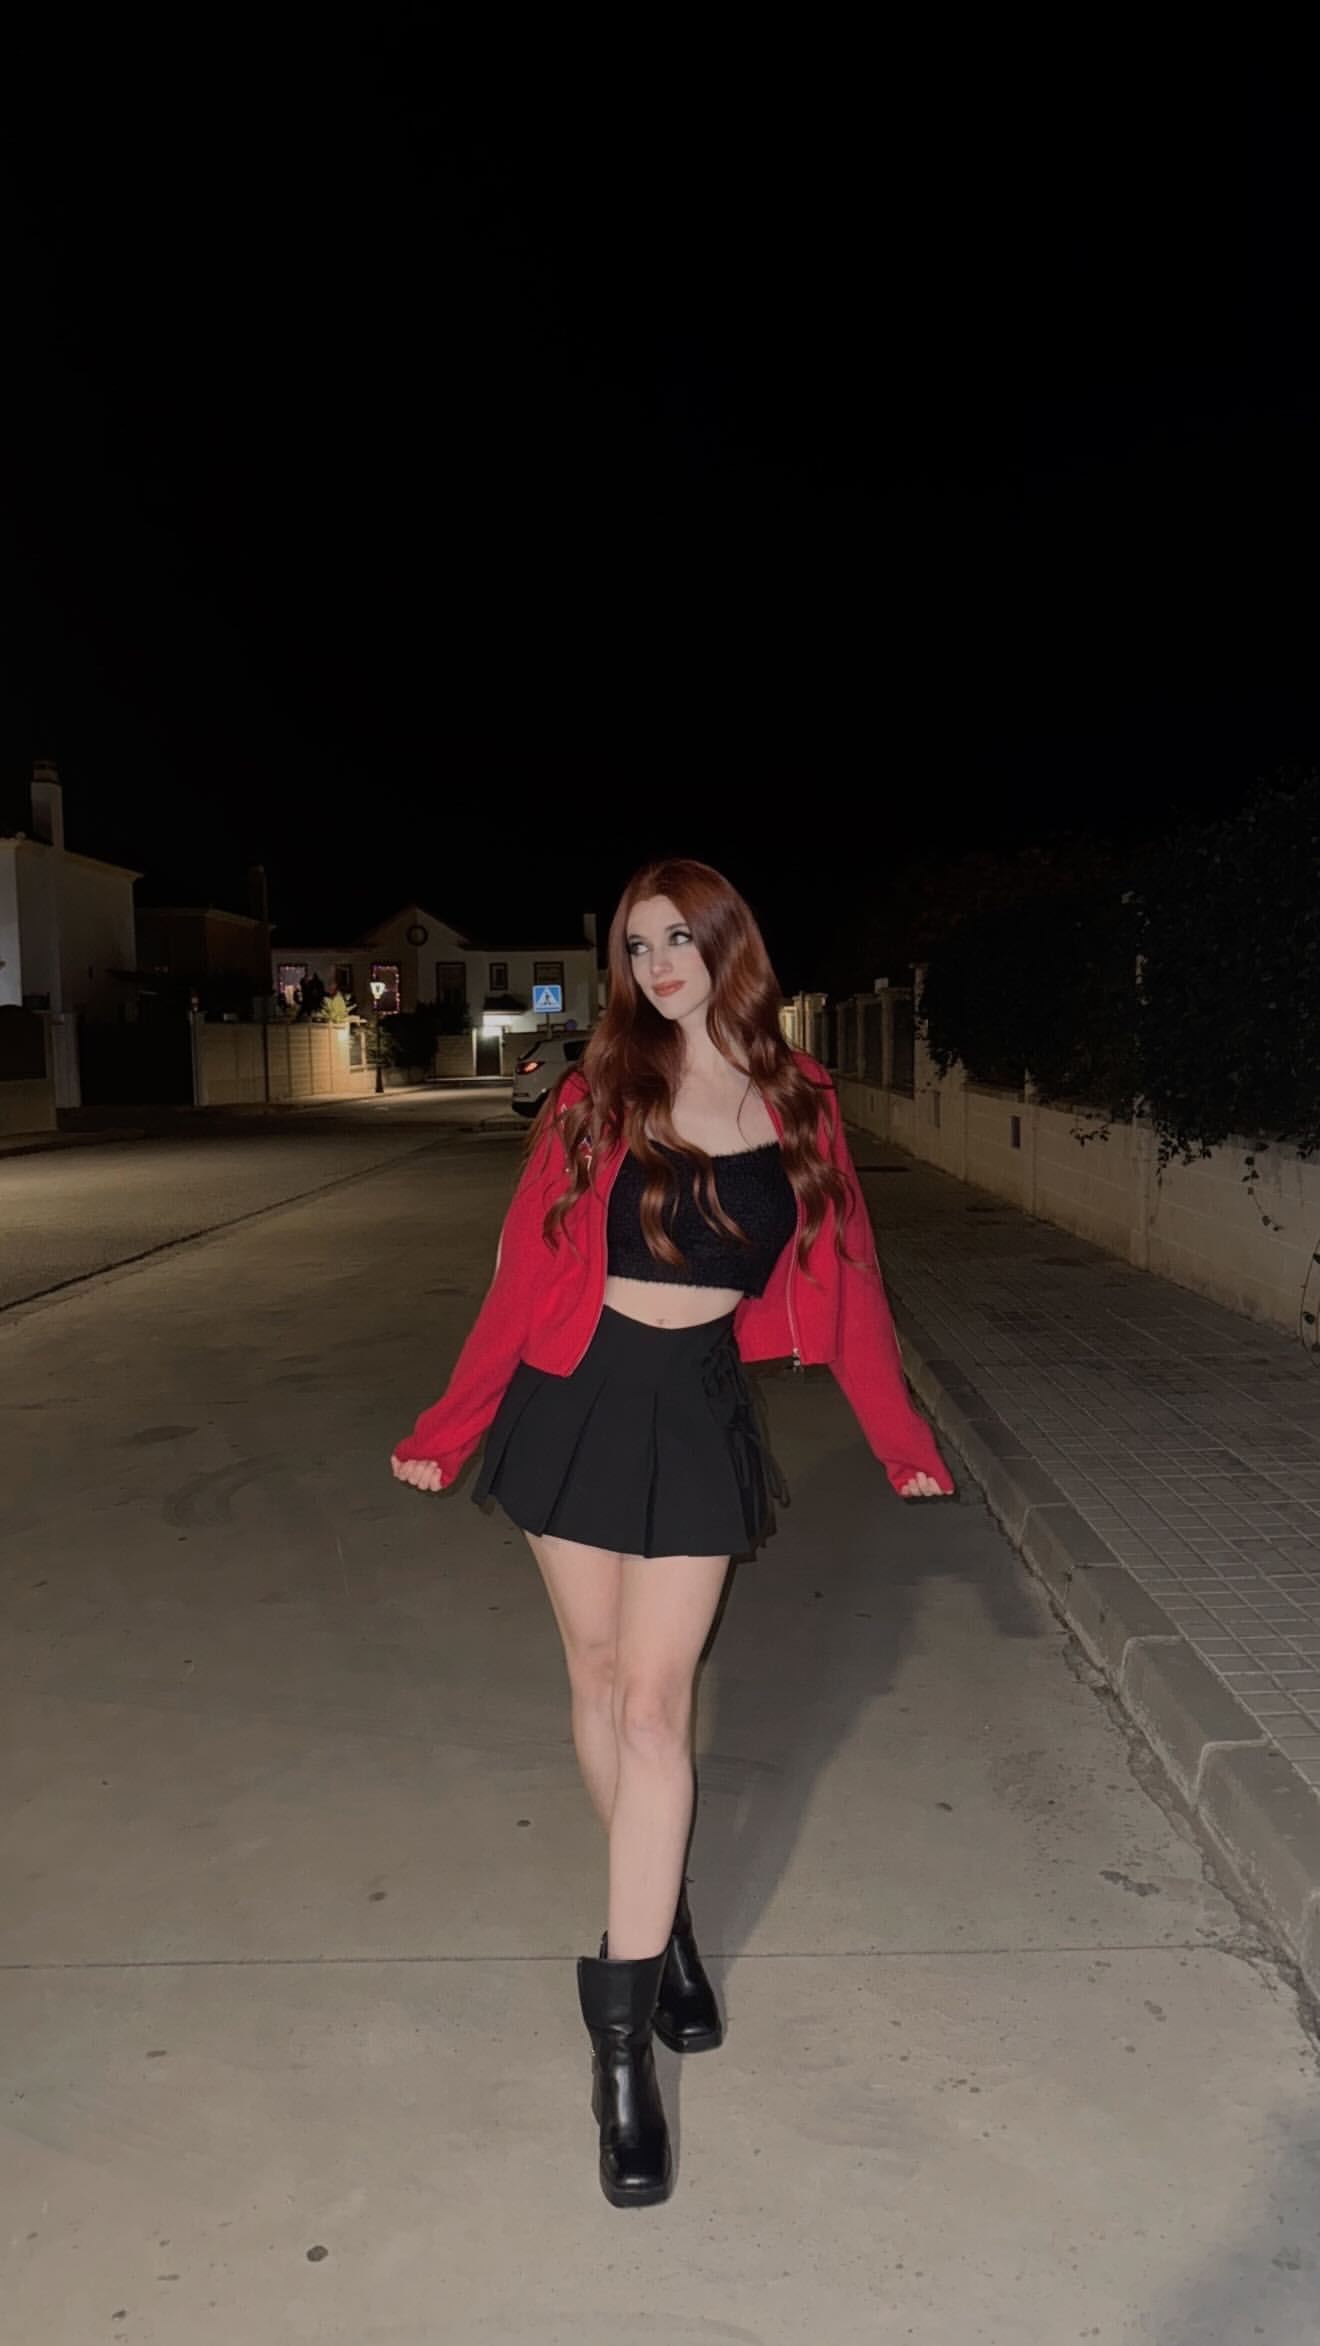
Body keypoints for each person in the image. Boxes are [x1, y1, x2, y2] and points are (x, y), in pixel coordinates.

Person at [391, 858, 952, 2209]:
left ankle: (623, 2052)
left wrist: (901, 1438)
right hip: (572, 1399)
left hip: (696, 1410)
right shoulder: (596, 1095)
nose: (656, 964)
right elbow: (521, 1270)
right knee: (595, 1679)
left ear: (725, 946)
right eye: (636, 945)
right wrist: (453, 1423)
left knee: (655, 1709)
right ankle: (666, 1932)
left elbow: (853, 1280)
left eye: (677, 939)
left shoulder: (799, 1101)